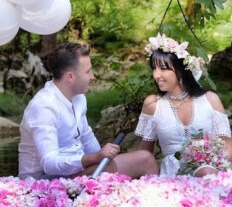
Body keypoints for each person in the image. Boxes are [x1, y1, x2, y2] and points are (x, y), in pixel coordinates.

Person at [19, 43, 158, 179]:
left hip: (74, 172)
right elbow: (49, 164)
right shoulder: (43, 106)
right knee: (108, 170)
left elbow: (87, 138)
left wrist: (102, 158)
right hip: (42, 181)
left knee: (146, 159)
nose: (92, 76)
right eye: (87, 71)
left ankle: (152, 199)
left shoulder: (79, 98)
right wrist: (94, 158)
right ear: (70, 76)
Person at [134, 34, 232, 176]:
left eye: (163, 69)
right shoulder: (153, 104)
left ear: (181, 70)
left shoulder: (210, 100)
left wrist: (210, 163)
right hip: (171, 180)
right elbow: (144, 154)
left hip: (211, 175)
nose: (157, 75)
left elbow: (229, 150)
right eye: (154, 68)